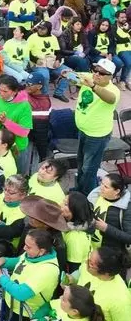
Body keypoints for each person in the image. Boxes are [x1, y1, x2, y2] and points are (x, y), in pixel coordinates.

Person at [0, 229, 61, 321]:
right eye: (25, 244)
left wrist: (0, 276)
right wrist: (4, 260)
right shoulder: (32, 254)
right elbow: (20, 261)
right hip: (11, 303)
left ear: (42, 251)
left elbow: (22, 293)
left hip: (24, 315)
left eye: (28, 247)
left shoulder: (48, 269)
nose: (24, 248)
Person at [74, 59, 120, 194]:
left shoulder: (113, 90)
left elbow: (110, 98)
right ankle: (79, 189)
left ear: (111, 76)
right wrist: (68, 74)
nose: (97, 74)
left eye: (102, 73)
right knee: (81, 163)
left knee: (89, 169)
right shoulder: (89, 77)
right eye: (95, 70)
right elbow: (73, 76)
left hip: (97, 136)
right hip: (83, 130)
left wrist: (93, 86)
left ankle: (87, 196)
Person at [68, 247, 131, 321]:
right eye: (89, 257)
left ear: (106, 273)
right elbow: (80, 272)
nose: (86, 263)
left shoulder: (120, 297)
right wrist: (71, 278)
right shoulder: (88, 268)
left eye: (91, 263)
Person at [0, 75, 33, 174]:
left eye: (5, 91)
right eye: (0, 90)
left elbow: (24, 132)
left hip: (17, 147)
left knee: (16, 174)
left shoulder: (24, 106)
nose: (1, 94)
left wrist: (6, 122)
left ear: (14, 92)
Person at [87, 173, 131, 251]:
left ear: (117, 191)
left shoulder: (126, 208)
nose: (101, 188)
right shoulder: (94, 196)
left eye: (106, 187)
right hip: (89, 248)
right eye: (101, 183)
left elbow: (129, 238)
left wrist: (106, 228)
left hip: (109, 254)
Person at [60, 192, 95, 272]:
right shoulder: (68, 224)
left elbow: (74, 269)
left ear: (75, 210)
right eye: (63, 201)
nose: (60, 205)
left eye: (65, 204)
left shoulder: (75, 238)